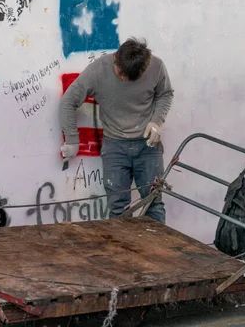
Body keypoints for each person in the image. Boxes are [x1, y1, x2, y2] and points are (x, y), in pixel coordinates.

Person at [59, 38, 174, 223]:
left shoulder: (156, 67)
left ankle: (156, 251)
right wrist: (72, 140)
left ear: (143, 69)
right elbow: (68, 101)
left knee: (153, 203)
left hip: (148, 146)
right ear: (115, 57)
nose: (123, 79)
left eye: (129, 77)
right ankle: (123, 251)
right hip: (115, 147)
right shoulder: (98, 71)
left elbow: (165, 94)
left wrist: (156, 121)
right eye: (121, 73)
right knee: (118, 208)